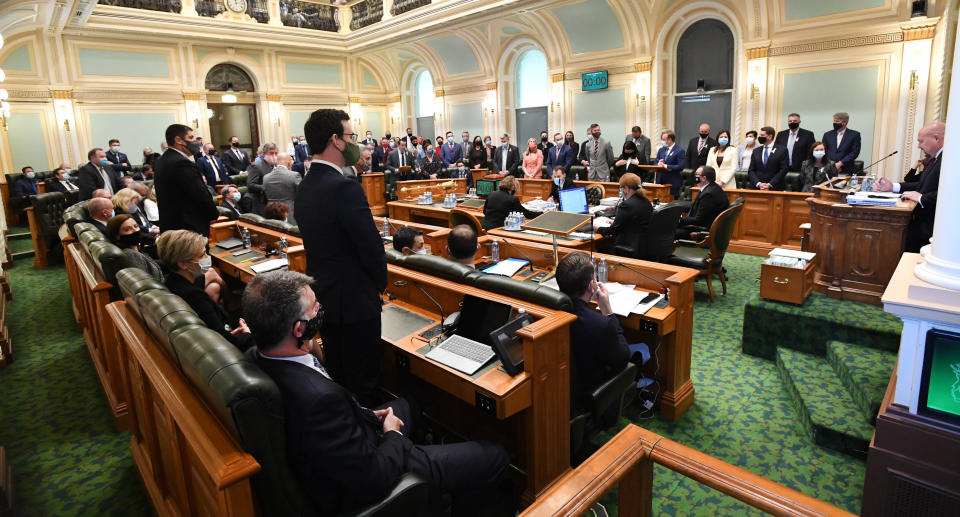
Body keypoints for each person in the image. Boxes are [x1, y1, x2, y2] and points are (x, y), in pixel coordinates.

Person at [244, 271, 510, 516]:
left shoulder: (259, 355)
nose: (320, 310)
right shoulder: (318, 400)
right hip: (375, 471)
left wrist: (366, 414)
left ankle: (432, 488)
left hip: (354, 440)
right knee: (495, 455)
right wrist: (392, 434)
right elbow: (373, 479)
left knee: (411, 404)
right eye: (315, 308)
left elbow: (333, 423)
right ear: (299, 330)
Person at [295, 108, 386, 404]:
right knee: (365, 382)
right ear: (336, 140)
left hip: (325, 298)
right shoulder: (344, 188)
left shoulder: (306, 185)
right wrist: (379, 286)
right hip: (356, 301)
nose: (354, 143)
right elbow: (370, 247)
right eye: (351, 136)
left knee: (340, 376)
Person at [556, 252, 649, 425]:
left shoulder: (548, 310)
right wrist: (608, 312)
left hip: (559, 391)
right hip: (591, 392)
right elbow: (623, 357)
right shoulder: (601, 325)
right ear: (592, 286)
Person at [157, 230, 255, 350]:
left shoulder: (172, 281)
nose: (207, 258)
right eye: (202, 255)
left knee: (214, 286)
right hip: (224, 347)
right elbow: (226, 342)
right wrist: (247, 334)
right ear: (183, 264)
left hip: (217, 336)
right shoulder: (194, 296)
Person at [875, 122, 943, 252]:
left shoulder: (949, 159)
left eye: (921, 141)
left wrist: (922, 197)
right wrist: (893, 187)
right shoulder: (936, 158)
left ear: (936, 138)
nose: (919, 146)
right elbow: (922, 184)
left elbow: (950, 193)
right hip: (921, 222)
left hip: (930, 226)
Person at [154, 124, 219, 236]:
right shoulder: (182, 163)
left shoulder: (162, 160)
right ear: (179, 140)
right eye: (191, 137)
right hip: (189, 228)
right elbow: (200, 194)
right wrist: (213, 214)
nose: (196, 142)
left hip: (172, 226)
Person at [595, 173, 652, 258]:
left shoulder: (626, 205)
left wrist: (598, 228)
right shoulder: (646, 201)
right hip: (643, 247)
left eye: (621, 187)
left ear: (626, 188)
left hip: (628, 247)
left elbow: (613, 230)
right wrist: (616, 221)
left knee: (598, 249)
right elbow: (635, 222)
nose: (620, 190)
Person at [105, 214, 162, 281]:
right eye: (127, 229)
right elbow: (145, 281)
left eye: (136, 226)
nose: (135, 230)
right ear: (117, 236)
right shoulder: (131, 255)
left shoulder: (135, 248)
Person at [676, 166, 728, 239]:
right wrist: (675, 205)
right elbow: (696, 205)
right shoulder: (711, 187)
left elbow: (698, 220)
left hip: (700, 230)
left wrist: (678, 219)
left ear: (704, 178)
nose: (694, 176)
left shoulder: (709, 194)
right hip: (702, 224)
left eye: (697, 174)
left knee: (665, 231)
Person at [263, 152, 301, 224]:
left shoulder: (266, 177)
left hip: (270, 214)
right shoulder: (294, 175)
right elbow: (302, 195)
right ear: (289, 162)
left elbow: (264, 195)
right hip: (289, 213)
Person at [748, 126, 789, 191]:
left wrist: (770, 184)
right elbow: (751, 170)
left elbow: (783, 169)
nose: (760, 137)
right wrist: (758, 183)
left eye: (762, 135)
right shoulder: (756, 151)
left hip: (775, 187)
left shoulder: (782, 150)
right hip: (757, 188)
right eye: (760, 135)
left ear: (770, 137)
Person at [246, 142, 277, 215]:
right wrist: (265, 187)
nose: (274, 156)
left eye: (276, 153)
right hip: (260, 201)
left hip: (273, 200)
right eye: (271, 153)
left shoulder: (275, 166)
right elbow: (251, 184)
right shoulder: (256, 166)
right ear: (264, 154)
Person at [655, 130, 686, 198]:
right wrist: (658, 163)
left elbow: (681, 166)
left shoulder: (679, 150)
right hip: (660, 181)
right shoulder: (661, 150)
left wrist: (666, 166)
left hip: (672, 182)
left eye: (663, 139)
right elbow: (655, 162)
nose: (662, 141)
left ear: (670, 139)